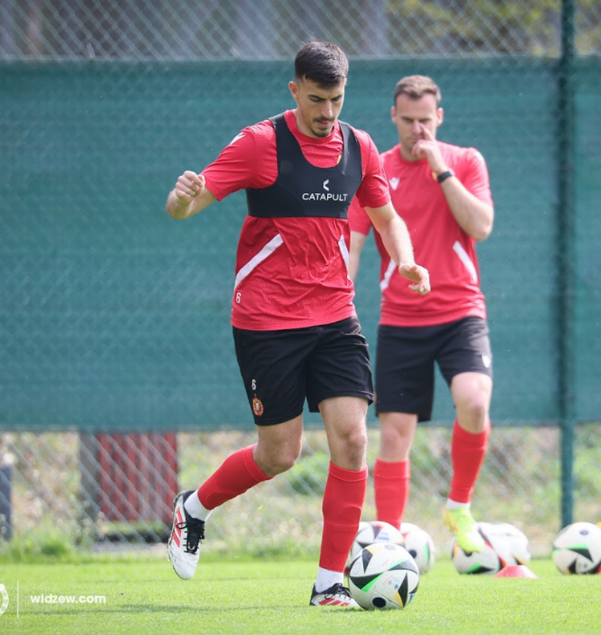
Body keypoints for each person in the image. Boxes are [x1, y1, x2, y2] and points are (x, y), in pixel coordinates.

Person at [164, 42, 430, 608]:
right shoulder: (261, 143)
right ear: (294, 90)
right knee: (280, 455)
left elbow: (387, 218)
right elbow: (186, 207)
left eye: (335, 100)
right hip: (266, 319)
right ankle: (194, 508)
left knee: (354, 439)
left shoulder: (359, 148)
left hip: (335, 314)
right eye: (315, 100)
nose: (326, 112)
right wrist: (181, 199)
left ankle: (329, 584)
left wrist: (405, 258)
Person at [348, 75, 493, 554]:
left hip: (460, 312)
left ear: (439, 118)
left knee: (473, 401)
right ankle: (388, 541)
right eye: (407, 121)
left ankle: (458, 506)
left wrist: (441, 170)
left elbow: (481, 225)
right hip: (401, 319)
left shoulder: (465, 160)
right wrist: (339, 294)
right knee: (393, 436)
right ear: (393, 116)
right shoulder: (377, 171)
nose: (416, 130)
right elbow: (353, 242)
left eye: (425, 121)